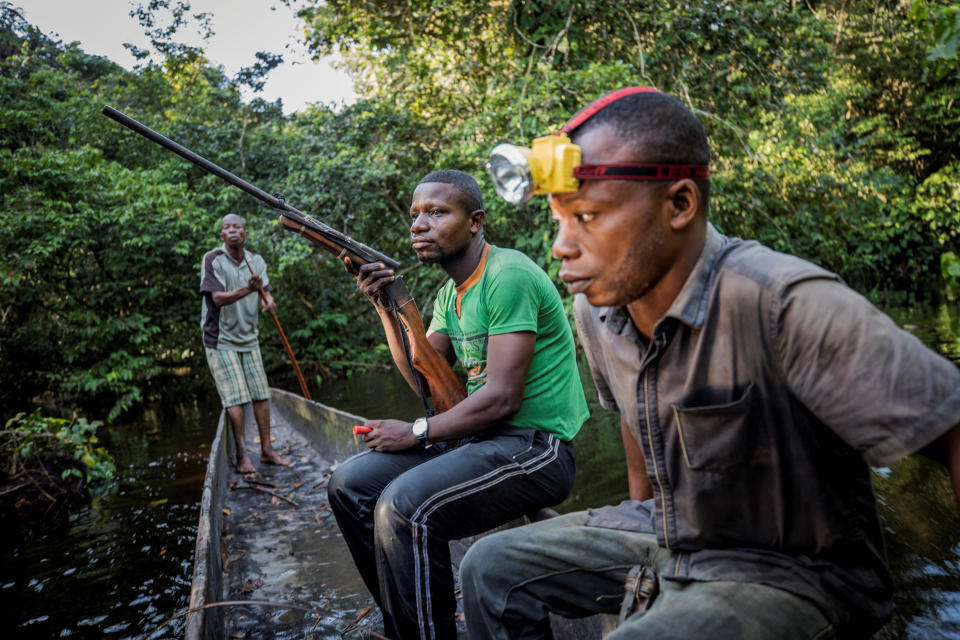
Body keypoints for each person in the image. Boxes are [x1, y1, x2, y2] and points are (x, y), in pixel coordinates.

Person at [461, 88, 960, 639]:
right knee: (489, 568)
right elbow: (635, 420)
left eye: (587, 217)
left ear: (679, 205)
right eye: (559, 219)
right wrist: (635, 513)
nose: (561, 246)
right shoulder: (595, 309)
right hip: (672, 532)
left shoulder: (781, 302)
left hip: (790, 570)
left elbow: (952, 427)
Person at [327, 170, 589, 639]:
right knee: (350, 484)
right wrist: (386, 307)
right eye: (414, 215)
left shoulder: (506, 275)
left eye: (436, 212)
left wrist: (416, 432)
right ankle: (403, 625)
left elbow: (502, 398)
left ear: (475, 221)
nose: (419, 225)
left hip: (537, 449)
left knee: (403, 506)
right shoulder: (450, 294)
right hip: (481, 441)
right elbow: (424, 379)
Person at [200, 213, 292, 474]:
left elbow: (266, 291)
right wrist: (249, 290)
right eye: (226, 227)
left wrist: (268, 302)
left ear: (245, 234)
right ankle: (242, 456)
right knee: (237, 398)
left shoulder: (256, 262)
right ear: (221, 235)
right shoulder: (213, 259)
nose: (232, 231)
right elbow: (217, 299)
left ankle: (267, 451)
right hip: (220, 340)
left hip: (249, 338)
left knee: (262, 394)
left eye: (237, 227)